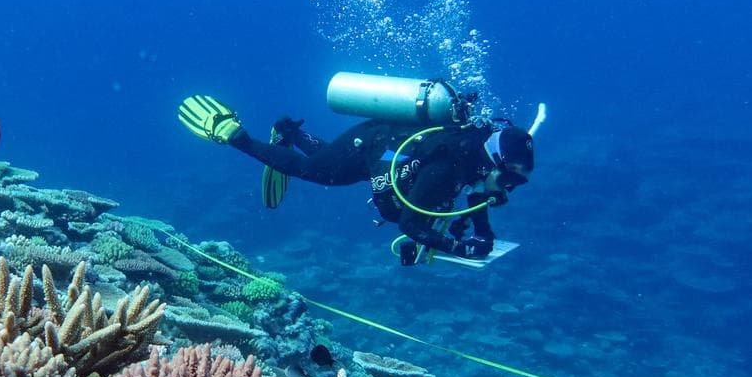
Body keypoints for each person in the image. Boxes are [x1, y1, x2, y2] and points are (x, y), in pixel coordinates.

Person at [177, 95, 534, 263]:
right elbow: (410, 222)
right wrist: (457, 247)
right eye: (508, 181)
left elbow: (474, 197)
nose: (508, 190)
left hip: (382, 152)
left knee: (332, 164)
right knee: (317, 172)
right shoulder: (448, 167)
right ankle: (238, 137)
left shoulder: (472, 163)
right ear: (492, 163)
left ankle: (291, 132)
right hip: (375, 142)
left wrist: (482, 234)